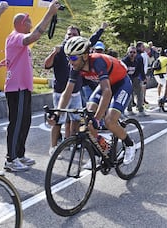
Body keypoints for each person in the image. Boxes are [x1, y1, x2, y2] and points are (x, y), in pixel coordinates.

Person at [50, 36, 136, 165]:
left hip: (121, 83)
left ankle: (129, 144)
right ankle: (101, 151)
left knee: (109, 121)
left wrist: (97, 118)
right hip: (105, 84)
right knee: (87, 121)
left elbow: (107, 92)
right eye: (68, 57)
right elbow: (67, 92)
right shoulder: (75, 67)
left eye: (73, 58)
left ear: (85, 56)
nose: (70, 62)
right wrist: (57, 114)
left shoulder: (97, 61)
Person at [3, 0, 61, 172]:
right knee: (17, 122)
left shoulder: (20, 41)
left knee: (25, 122)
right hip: (17, 88)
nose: (31, 24)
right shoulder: (15, 37)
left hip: (24, 88)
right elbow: (35, 35)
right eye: (29, 22)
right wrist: (49, 13)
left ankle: (19, 155)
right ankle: (10, 159)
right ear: (22, 23)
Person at [44, 23, 107, 156]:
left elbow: (92, 40)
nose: (71, 36)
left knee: (75, 120)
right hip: (60, 91)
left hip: (76, 91)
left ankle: (70, 142)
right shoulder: (60, 50)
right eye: (69, 34)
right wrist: (54, 52)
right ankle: (53, 147)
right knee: (58, 120)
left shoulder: (81, 49)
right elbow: (46, 65)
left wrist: (101, 28)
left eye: (74, 34)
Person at [121, 45, 147, 116]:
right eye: (131, 52)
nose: (132, 54)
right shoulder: (124, 61)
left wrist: (143, 78)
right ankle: (129, 109)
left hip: (135, 77)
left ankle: (140, 109)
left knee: (139, 93)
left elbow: (140, 70)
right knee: (129, 94)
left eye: (134, 52)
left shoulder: (138, 60)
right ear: (128, 53)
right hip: (125, 78)